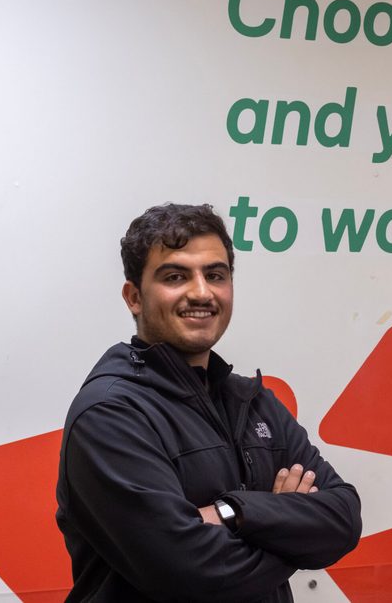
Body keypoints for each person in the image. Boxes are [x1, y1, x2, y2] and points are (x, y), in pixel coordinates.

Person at [55, 203, 361, 602]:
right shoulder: (111, 414)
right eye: (175, 276)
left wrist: (232, 512)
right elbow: (188, 572)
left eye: (215, 275)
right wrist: (291, 533)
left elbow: (343, 517)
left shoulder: (253, 402)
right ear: (134, 297)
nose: (201, 292)